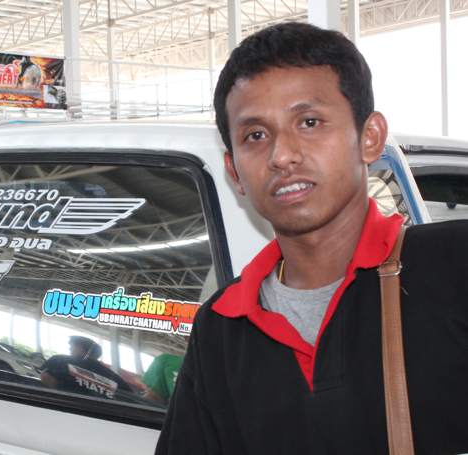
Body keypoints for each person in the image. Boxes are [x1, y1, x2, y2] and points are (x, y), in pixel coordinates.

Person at [156, 22, 468, 455]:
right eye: (255, 135)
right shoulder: (222, 328)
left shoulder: (454, 267)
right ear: (235, 172)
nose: (282, 155)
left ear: (370, 137)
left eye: (309, 122)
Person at [39, 335, 132, 400]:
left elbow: (45, 376)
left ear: (81, 348)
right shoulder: (111, 376)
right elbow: (130, 396)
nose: (70, 348)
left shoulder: (60, 361)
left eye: (72, 346)